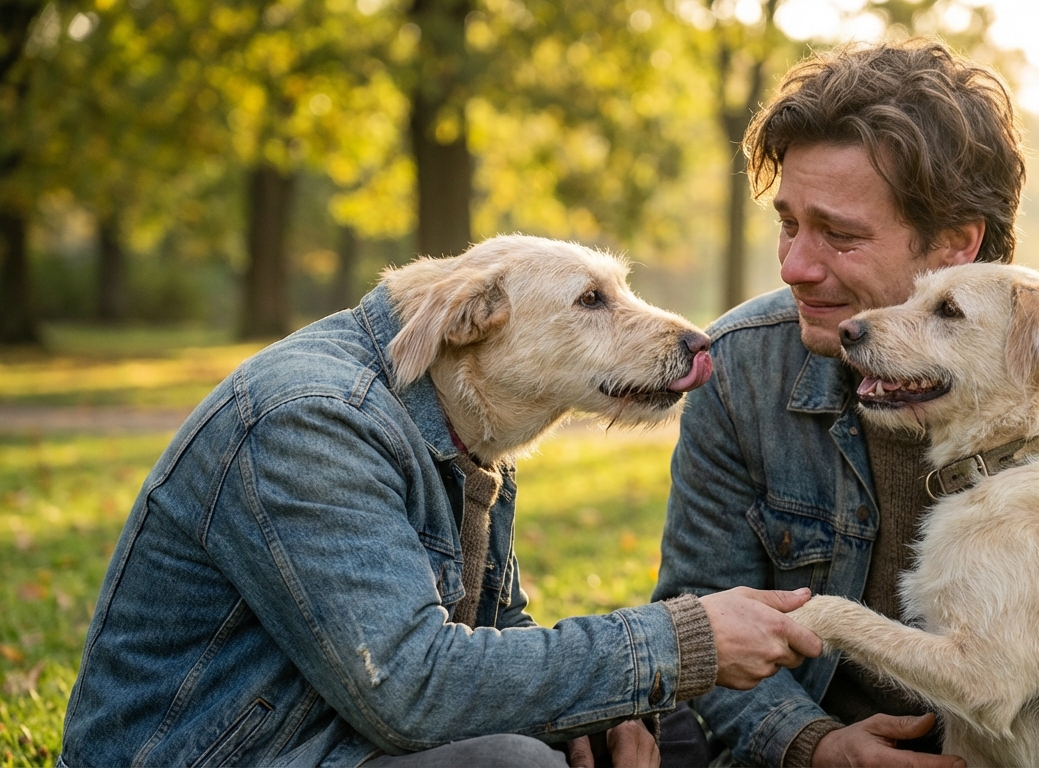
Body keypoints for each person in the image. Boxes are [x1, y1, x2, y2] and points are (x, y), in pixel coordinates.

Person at [58, 259, 823, 768]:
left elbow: (492, 631)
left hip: (337, 729)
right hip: (231, 754)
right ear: (469, 324)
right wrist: (677, 642)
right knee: (512, 764)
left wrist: (602, 704)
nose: (670, 330)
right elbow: (410, 688)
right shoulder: (313, 419)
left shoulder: (467, 428)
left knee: (658, 731)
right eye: (593, 302)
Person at [653, 39, 1039, 768]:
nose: (795, 266)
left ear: (956, 244)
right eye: (788, 223)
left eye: (840, 235)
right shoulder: (741, 366)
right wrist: (813, 744)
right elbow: (694, 617)